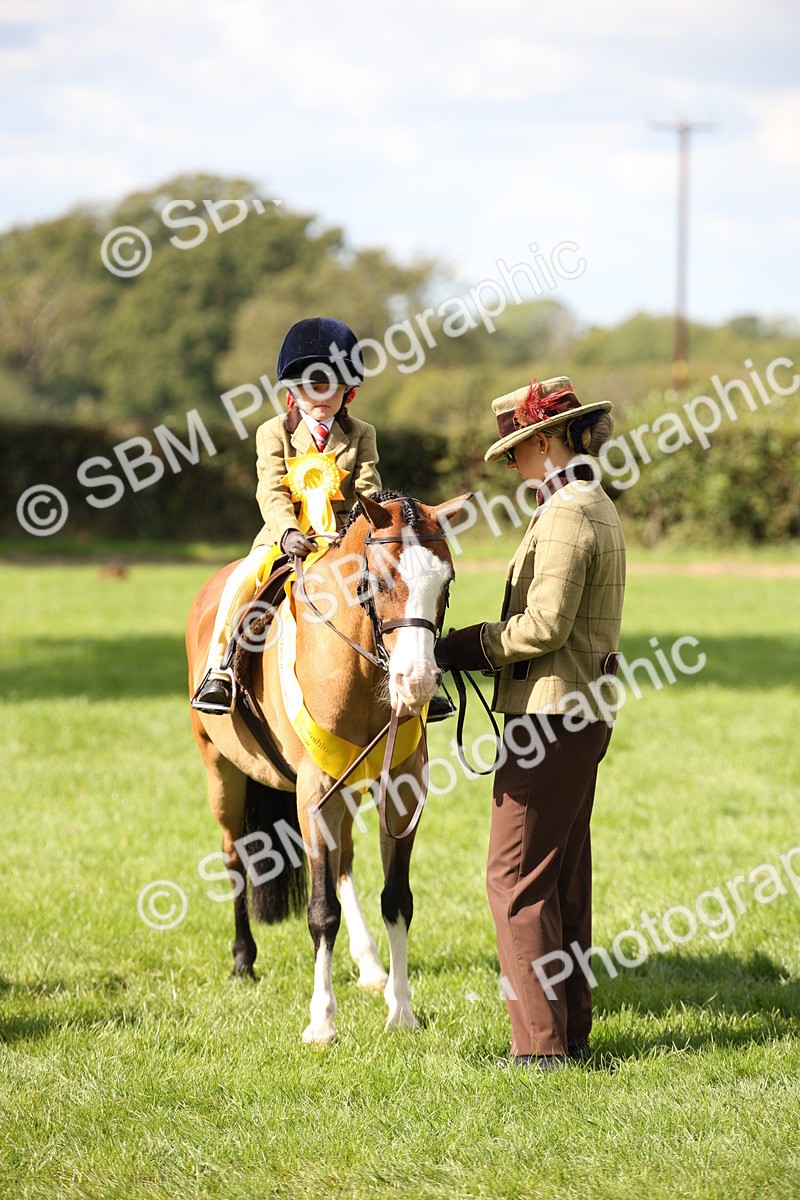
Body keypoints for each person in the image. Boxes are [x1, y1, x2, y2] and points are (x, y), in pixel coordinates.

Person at [435, 375, 626, 1071]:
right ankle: (569, 1033)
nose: (512, 465)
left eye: (516, 452)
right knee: (562, 877)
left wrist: (465, 645)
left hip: (551, 717)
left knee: (514, 879)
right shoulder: (590, 502)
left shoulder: (569, 512)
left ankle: (540, 1050)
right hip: (579, 714)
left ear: (545, 442)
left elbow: (543, 626)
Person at [192, 316, 381, 714]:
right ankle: (219, 670)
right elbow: (271, 488)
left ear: (349, 390)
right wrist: (287, 532)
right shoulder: (272, 432)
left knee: (397, 584)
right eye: (313, 385)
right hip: (288, 536)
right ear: (293, 389)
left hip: (344, 538)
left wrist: (365, 531)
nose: (322, 395)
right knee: (240, 582)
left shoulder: (363, 433)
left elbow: (367, 488)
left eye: (332, 385)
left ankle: (416, 677)